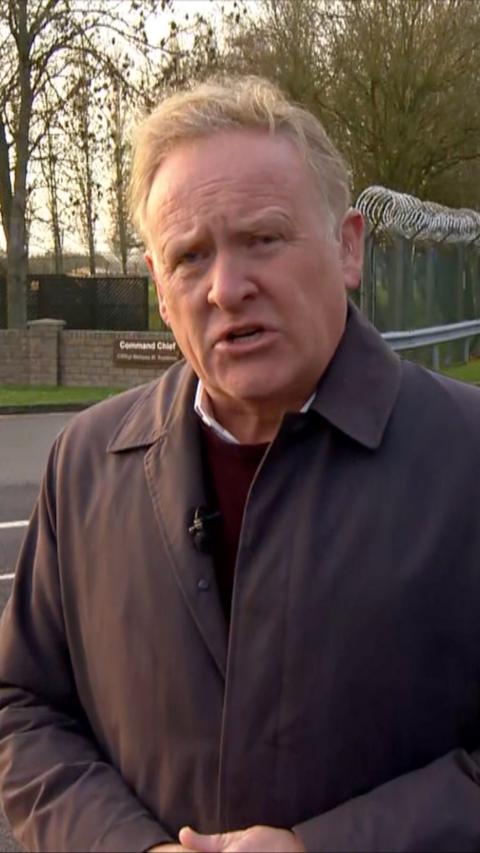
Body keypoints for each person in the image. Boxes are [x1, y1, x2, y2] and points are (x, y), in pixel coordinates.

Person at [1, 75, 480, 853]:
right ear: (160, 290)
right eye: (190, 256)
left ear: (348, 246)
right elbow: (24, 708)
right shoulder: (86, 466)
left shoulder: (465, 457)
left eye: (263, 238)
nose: (227, 287)